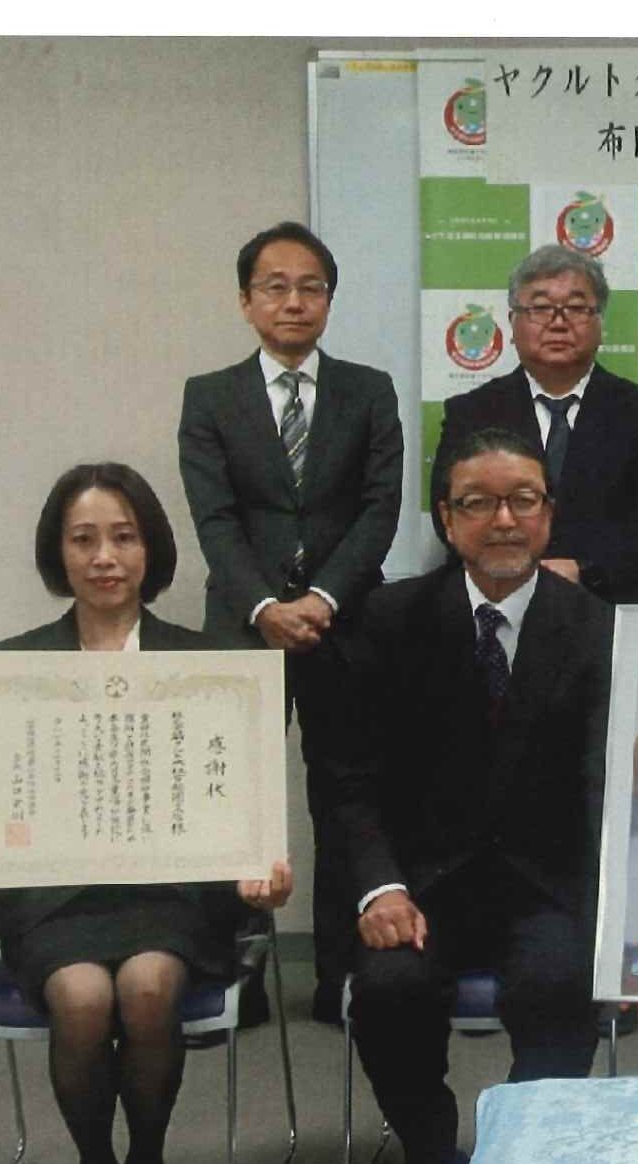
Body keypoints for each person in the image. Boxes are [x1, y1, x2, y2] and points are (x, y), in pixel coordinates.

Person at [0, 463, 293, 1164]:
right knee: (82, 995)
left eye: (123, 537)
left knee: (149, 986)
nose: (104, 557)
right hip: (55, 902)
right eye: (83, 539)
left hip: (173, 897)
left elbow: (241, 814)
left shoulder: (208, 661)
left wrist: (260, 874)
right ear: (59, 554)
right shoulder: (10, 667)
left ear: (151, 549)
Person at [324, 428, 613, 1164]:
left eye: (523, 499)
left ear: (549, 515)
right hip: (422, 885)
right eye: (478, 503)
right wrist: (378, 888)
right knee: (388, 991)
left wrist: (618, 919)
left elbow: (611, 787)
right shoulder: (389, 620)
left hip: (545, 883)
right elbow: (348, 778)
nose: (504, 520)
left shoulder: (597, 628)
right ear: (447, 521)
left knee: (562, 984)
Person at [179, 221, 401, 1024]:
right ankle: (226, 971)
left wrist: (325, 598)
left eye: (311, 287)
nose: (294, 301)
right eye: (275, 287)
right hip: (245, 624)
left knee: (344, 791)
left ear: (329, 301)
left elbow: (380, 507)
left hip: (346, 621)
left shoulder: (368, 390)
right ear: (246, 301)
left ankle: (340, 973)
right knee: (231, 794)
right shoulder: (210, 396)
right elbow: (214, 518)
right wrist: (265, 606)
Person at [434, 243, 638, 605]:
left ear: (600, 322)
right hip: (496, 601)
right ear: (512, 323)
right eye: (540, 308)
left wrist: (584, 570)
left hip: (605, 604)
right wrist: (515, 570)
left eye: (576, 308)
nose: (558, 322)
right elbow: (451, 511)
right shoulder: (471, 412)